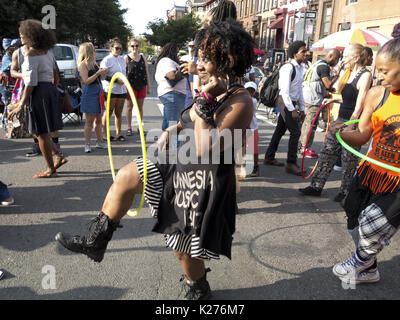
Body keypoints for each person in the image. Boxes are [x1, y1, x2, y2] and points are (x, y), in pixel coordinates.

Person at [55, 19, 254, 300]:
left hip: (202, 178)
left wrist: (204, 100)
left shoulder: (241, 101)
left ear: (227, 61)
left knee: (182, 246)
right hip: (176, 160)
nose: (199, 63)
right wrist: (174, 128)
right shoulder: (211, 89)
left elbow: (204, 147)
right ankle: (96, 241)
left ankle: (198, 288)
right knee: (125, 177)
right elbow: (190, 124)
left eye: (207, 59)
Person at [330, 35, 400, 285]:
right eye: (377, 70)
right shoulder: (377, 94)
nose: (379, 76)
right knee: (353, 215)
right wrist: (340, 132)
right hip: (371, 170)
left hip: (398, 181)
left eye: (384, 71)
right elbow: (361, 135)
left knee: (372, 222)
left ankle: (360, 259)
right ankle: (369, 267)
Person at [299, 43, 372, 202]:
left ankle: (345, 192)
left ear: (356, 57)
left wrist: (350, 126)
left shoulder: (365, 75)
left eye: (346, 56)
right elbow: (347, 99)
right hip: (341, 120)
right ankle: (316, 186)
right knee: (327, 153)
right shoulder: (348, 73)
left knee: (348, 160)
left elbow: (360, 104)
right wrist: (332, 99)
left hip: (354, 123)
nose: (343, 59)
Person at [7, 19, 67, 178]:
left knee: (40, 133)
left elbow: (31, 82)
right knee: (42, 132)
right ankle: (58, 156)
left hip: (38, 92)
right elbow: (55, 73)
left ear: (31, 35)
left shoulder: (31, 53)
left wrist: (21, 103)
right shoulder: (47, 51)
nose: (20, 37)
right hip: (48, 90)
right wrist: (53, 88)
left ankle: (50, 169)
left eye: (22, 35)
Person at [263, 41, 307, 176]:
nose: (306, 54)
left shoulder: (300, 68)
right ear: (295, 54)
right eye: (303, 52)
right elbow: (284, 91)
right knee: (295, 132)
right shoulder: (287, 68)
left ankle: (269, 157)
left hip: (291, 102)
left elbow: (299, 89)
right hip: (284, 100)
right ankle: (291, 163)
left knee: (280, 130)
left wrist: (303, 108)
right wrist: (292, 110)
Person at [299, 48, 342, 158]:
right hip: (313, 99)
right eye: (337, 60)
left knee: (307, 122)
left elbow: (319, 82)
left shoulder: (317, 63)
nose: (337, 63)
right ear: (332, 57)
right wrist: (337, 75)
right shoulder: (324, 67)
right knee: (311, 123)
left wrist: (327, 90)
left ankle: (302, 146)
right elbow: (327, 84)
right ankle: (305, 148)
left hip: (308, 96)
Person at [77, 42, 109, 153]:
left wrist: (104, 73)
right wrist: (98, 73)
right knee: (89, 120)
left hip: (98, 91)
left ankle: (99, 142)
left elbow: (99, 78)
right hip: (90, 93)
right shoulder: (83, 64)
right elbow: (86, 81)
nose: (95, 51)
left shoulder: (94, 63)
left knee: (99, 119)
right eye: (93, 49)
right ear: (88, 52)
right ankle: (87, 144)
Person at [154, 43, 186, 133]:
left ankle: (166, 146)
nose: (178, 55)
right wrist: (182, 69)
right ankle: (173, 146)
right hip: (173, 95)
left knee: (168, 124)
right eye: (177, 53)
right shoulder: (166, 61)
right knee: (173, 126)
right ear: (172, 52)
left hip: (173, 95)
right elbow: (172, 76)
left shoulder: (167, 61)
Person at [100, 38, 127, 142]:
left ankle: (118, 133)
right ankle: (105, 134)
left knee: (119, 113)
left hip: (121, 90)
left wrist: (123, 81)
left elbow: (124, 73)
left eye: (120, 49)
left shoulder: (122, 59)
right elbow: (103, 75)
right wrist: (116, 81)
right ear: (111, 48)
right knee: (109, 112)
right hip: (110, 89)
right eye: (116, 48)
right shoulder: (107, 60)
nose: (119, 50)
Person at [124, 38, 151, 136]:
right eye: (132, 46)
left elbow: (146, 72)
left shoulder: (142, 57)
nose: (135, 48)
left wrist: (148, 86)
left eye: (136, 46)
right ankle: (129, 127)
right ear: (129, 47)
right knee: (129, 107)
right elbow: (123, 73)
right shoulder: (126, 58)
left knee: (140, 107)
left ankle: (139, 127)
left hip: (141, 85)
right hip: (130, 86)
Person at [245, 81, 259, 177]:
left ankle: (255, 167)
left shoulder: (253, 101)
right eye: (248, 90)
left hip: (251, 128)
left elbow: (249, 114)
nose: (250, 92)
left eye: (252, 90)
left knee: (252, 150)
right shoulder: (242, 99)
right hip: (243, 128)